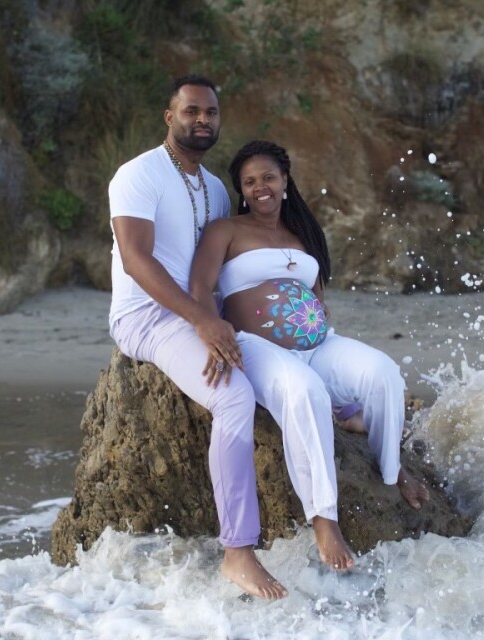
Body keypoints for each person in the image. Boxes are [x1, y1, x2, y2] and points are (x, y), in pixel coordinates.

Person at [189, 140, 431, 558]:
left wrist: (311, 315)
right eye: (249, 182)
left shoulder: (302, 233)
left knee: (384, 374)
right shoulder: (225, 231)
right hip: (257, 347)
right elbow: (198, 287)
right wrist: (211, 333)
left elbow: (315, 294)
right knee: (305, 391)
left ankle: (393, 471)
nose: (260, 188)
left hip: (319, 345)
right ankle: (324, 520)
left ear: (285, 180)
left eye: (268, 177)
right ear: (241, 190)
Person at [107, 76, 289, 599]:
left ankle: (342, 407)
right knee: (233, 396)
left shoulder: (215, 189)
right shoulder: (137, 174)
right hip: (145, 316)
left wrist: (225, 319)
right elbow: (136, 260)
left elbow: (215, 272)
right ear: (170, 117)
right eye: (191, 111)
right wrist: (202, 322)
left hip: (197, 313)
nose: (202, 119)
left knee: (281, 356)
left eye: (211, 112)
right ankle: (238, 552)